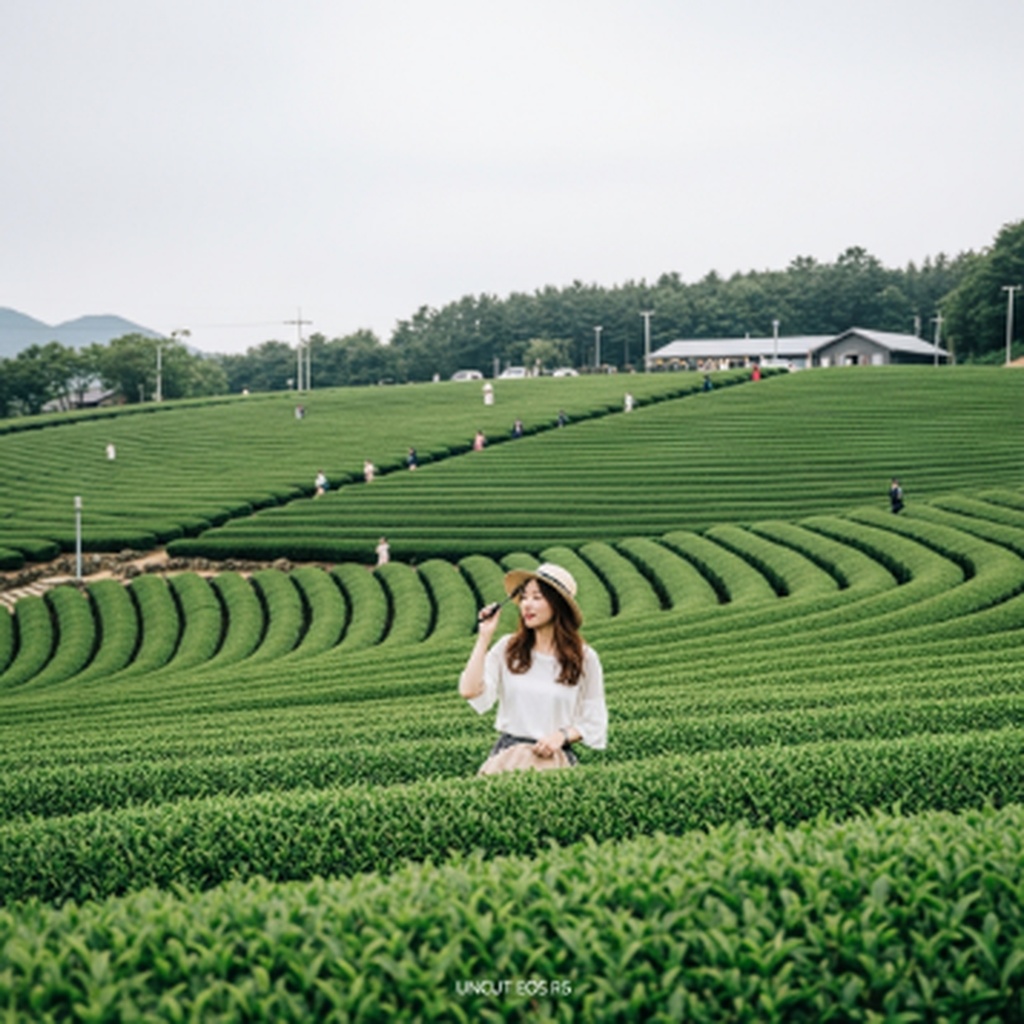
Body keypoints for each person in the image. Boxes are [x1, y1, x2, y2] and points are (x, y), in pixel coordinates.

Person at [459, 563, 607, 774]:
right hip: (508, 758)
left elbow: (594, 721)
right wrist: (484, 636)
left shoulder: (584, 658)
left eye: (537, 598)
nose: (527, 605)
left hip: (555, 759)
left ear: (558, 605)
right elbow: (469, 690)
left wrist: (562, 736)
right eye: (524, 597)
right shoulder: (508, 648)